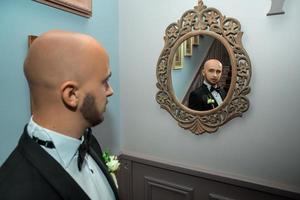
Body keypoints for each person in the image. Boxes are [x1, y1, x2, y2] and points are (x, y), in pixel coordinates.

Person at [0, 30, 119, 200]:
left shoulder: (90, 143)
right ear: (71, 95)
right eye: (104, 82)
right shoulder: (13, 191)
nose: (110, 91)